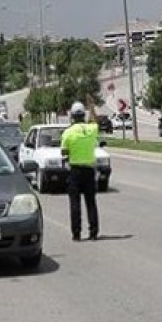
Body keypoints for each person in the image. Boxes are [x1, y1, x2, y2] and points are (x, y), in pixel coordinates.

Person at [60, 98, 101, 241]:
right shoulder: (91, 129)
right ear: (84, 115)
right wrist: (92, 107)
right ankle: (94, 232)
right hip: (89, 170)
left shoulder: (68, 133)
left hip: (75, 170)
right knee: (91, 203)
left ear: (72, 116)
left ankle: (76, 233)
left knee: (74, 203)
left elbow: (64, 154)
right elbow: (96, 121)